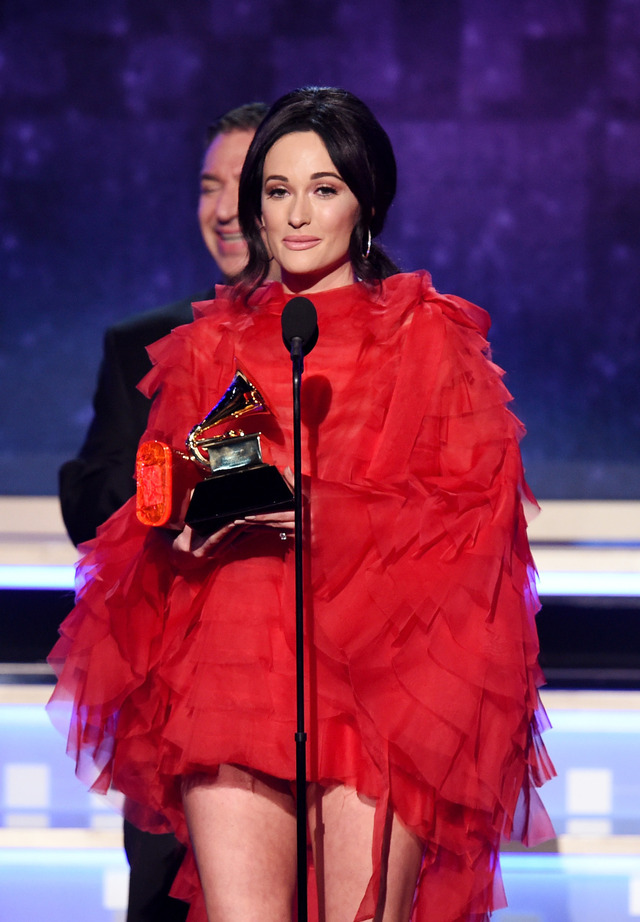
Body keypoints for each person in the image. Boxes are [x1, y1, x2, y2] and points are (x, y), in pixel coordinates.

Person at [48, 86, 555, 922]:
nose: (295, 215)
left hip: (382, 684)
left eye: (323, 189)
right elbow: (168, 488)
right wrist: (180, 524)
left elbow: (474, 527)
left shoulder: (430, 338)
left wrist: (328, 516)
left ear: (366, 200)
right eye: (277, 191)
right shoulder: (215, 339)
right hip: (236, 664)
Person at [57, 102, 270, 922]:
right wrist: (185, 474)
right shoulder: (146, 344)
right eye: (207, 186)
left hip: (323, 704)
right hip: (179, 711)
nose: (221, 211)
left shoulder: (354, 349)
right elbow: (90, 493)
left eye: (244, 187)